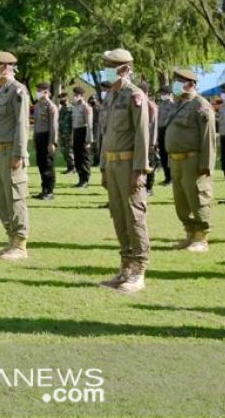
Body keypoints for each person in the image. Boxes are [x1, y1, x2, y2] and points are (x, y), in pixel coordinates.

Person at [96, 49, 151, 293]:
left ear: (125, 69)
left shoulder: (134, 95)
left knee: (134, 216)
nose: (106, 68)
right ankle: (125, 268)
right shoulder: (111, 96)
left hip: (129, 164)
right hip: (112, 163)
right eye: (106, 64)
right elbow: (105, 135)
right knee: (118, 217)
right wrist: (103, 167)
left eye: (111, 65)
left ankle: (139, 270)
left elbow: (142, 135)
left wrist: (140, 170)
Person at [0, 51, 30, 260]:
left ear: (5, 68)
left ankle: (20, 244)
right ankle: (10, 240)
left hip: (11, 152)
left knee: (15, 198)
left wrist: (19, 153)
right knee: (2, 200)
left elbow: (22, 123)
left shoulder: (17, 90)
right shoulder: (1, 91)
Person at [164, 68, 216, 253]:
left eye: (180, 80)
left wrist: (206, 165)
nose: (175, 84)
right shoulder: (180, 104)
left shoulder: (200, 105)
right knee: (181, 201)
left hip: (193, 161)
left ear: (191, 84)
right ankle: (190, 234)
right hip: (176, 161)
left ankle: (201, 238)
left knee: (197, 198)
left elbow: (208, 137)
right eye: (175, 80)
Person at [32, 83, 59, 200]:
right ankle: (44, 189)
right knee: (41, 164)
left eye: (40, 90)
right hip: (39, 137)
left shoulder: (51, 106)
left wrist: (52, 142)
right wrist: (34, 139)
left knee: (48, 165)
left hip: (47, 137)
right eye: (37, 90)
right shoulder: (37, 106)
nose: (38, 92)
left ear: (47, 92)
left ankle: (50, 191)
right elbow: (36, 124)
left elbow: (54, 126)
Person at [70, 86, 94, 188]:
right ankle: (80, 178)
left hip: (84, 132)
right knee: (77, 157)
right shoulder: (75, 106)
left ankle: (85, 180)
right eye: (74, 94)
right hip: (76, 132)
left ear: (81, 96)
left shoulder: (86, 107)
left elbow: (89, 125)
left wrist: (89, 140)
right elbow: (73, 123)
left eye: (76, 95)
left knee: (84, 158)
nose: (74, 96)